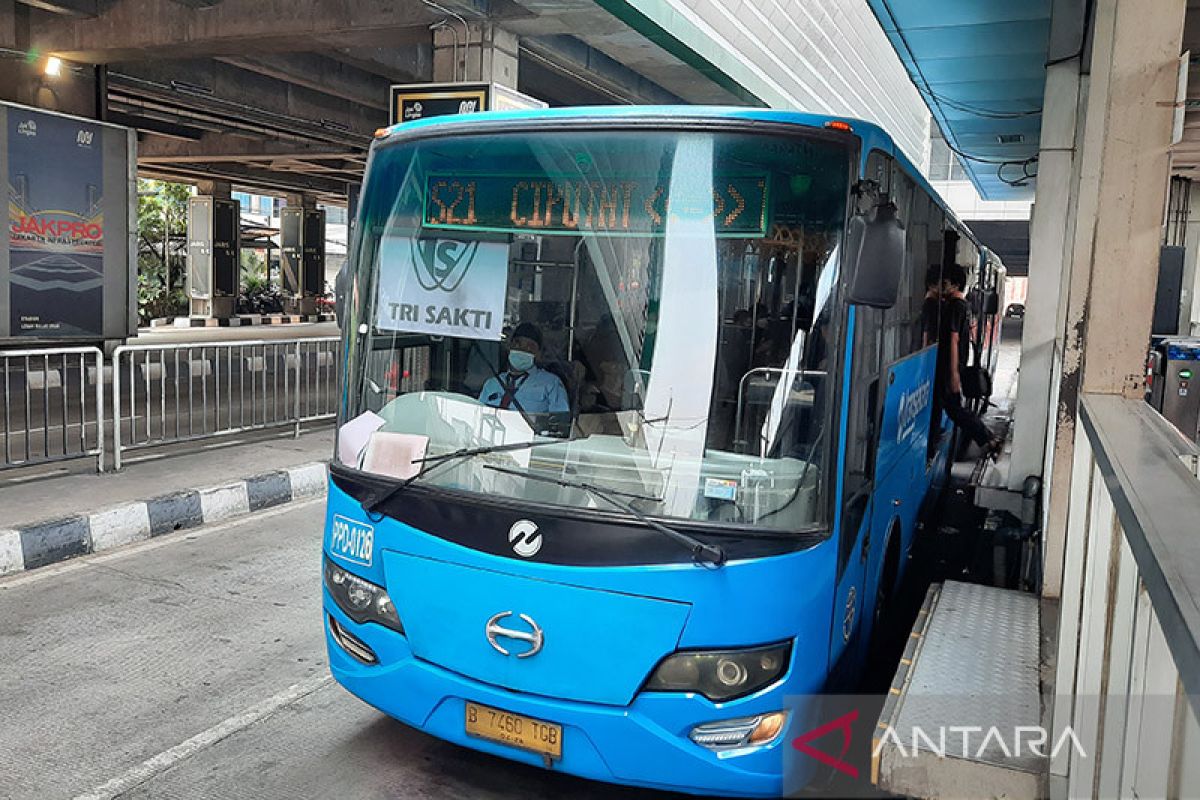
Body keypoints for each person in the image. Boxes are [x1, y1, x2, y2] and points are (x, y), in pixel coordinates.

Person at [937, 263, 1002, 456]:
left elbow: (953, 339)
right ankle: (988, 439)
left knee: (954, 409)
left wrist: (954, 374)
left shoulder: (954, 307)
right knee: (954, 408)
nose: (942, 287)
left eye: (945, 283)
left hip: (950, 368)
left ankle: (988, 438)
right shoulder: (964, 306)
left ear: (955, 285)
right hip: (957, 366)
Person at [478, 321, 570, 415]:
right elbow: (478, 415)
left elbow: (560, 420)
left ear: (538, 354)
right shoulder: (492, 384)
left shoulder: (551, 384)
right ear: (509, 347)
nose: (522, 349)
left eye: (530, 347)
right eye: (517, 343)